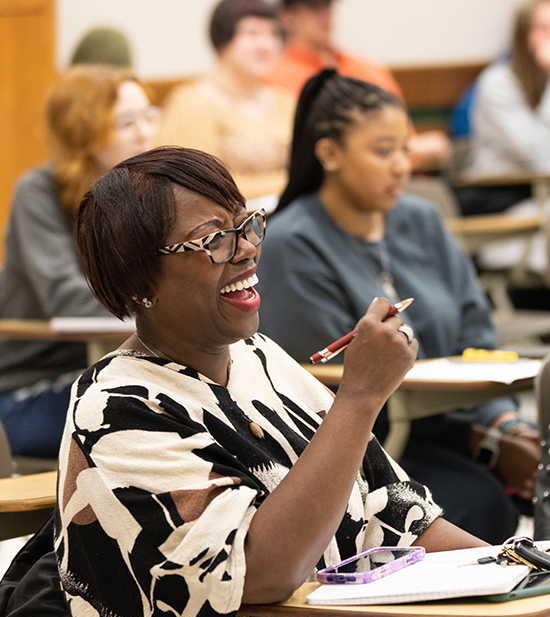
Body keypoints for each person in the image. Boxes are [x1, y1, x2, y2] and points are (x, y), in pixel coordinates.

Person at [52, 144, 550, 617]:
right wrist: (360, 398)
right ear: (138, 282)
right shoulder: (117, 407)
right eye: (214, 239)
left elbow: (398, 512)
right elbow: (263, 571)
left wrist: (524, 573)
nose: (245, 250)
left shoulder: (259, 357)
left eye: (246, 224)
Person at [257, 70, 540, 544]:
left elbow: (479, 336)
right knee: (482, 499)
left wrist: (504, 423)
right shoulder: (292, 242)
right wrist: (484, 442)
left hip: (456, 428)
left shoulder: (422, 220)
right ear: (329, 153)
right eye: (383, 151)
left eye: (405, 150)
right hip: (369, 450)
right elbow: (333, 386)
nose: (401, 166)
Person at [0, 64, 159, 459]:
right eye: (125, 122)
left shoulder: (151, 192)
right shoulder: (39, 193)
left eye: (148, 116)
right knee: (157, 414)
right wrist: (164, 310)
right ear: (83, 131)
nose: (145, 132)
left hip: (113, 369)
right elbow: (68, 297)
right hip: (32, 386)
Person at [265, 0, 450, 171]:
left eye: (328, 6)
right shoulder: (274, 75)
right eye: (314, 7)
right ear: (287, 17)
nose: (325, 15)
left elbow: (410, 138)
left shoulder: (366, 67)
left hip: (404, 172)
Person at [157, 0, 295, 204]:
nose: (266, 45)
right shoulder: (191, 104)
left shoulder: (286, 102)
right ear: (223, 38)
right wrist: (291, 183)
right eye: (252, 33)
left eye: (273, 34)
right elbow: (194, 185)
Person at [458, 0, 550, 216]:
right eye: (544, 29)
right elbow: (541, 156)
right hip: (505, 201)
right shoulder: (497, 84)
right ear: (525, 36)